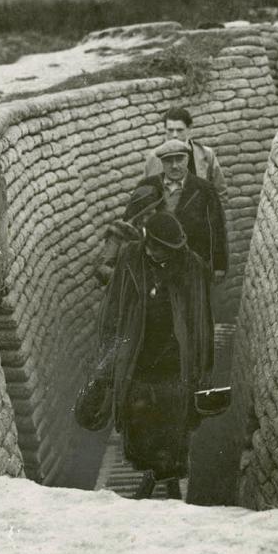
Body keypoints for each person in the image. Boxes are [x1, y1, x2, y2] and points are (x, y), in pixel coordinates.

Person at [96, 211, 214, 500]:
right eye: (150, 246)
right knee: (140, 420)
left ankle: (167, 480)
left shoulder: (192, 267)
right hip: (138, 354)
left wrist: (201, 366)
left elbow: (201, 321)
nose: (152, 252)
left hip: (175, 357)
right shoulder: (131, 258)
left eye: (160, 250)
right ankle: (152, 473)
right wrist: (108, 355)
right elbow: (114, 307)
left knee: (173, 420)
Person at [127, 138, 228, 281]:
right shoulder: (148, 186)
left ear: (187, 159)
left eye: (179, 159)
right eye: (168, 161)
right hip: (154, 265)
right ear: (161, 162)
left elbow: (216, 227)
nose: (174, 166)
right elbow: (130, 220)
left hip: (193, 265)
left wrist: (219, 265)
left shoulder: (205, 189)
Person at [143, 106, 227, 207]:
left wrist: (214, 219)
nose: (174, 135)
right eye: (170, 130)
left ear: (189, 128)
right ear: (164, 129)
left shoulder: (206, 154)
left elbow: (220, 193)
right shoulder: (154, 157)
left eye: (179, 130)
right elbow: (145, 195)